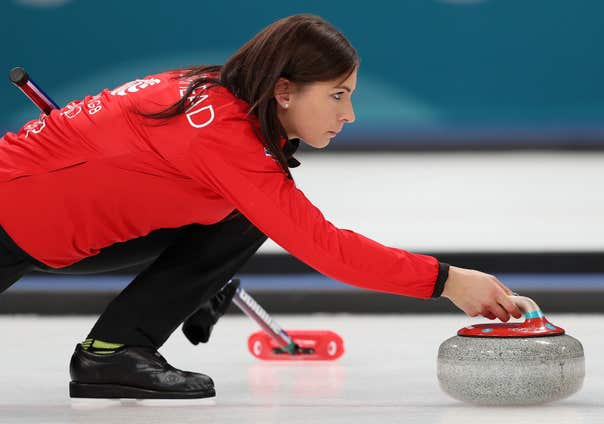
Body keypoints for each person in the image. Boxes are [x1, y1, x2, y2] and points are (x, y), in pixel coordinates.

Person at [0, 14, 522, 400]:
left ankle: (115, 353)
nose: (351, 114)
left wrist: (190, 278)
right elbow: (325, 247)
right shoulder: (227, 140)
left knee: (242, 213)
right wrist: (448, 280)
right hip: (14, 226)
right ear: (285, 91)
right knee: (253, 209)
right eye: (338, 96)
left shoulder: (209, 93)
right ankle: (116, 351)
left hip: (46, 226)